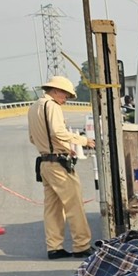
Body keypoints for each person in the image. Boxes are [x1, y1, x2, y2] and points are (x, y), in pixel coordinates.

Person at [28, 75, 94, 259]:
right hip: (58, 164)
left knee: (52, 208)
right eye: (65, 95)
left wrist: (53, 147)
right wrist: (84, 141)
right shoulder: (52, 106)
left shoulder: (34, 107)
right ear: (55, 91)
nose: (65, 100)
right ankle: (82, 245)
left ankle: (54, 247)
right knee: (74, 205)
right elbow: (58, 132)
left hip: (44, 163)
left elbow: (32, 138)